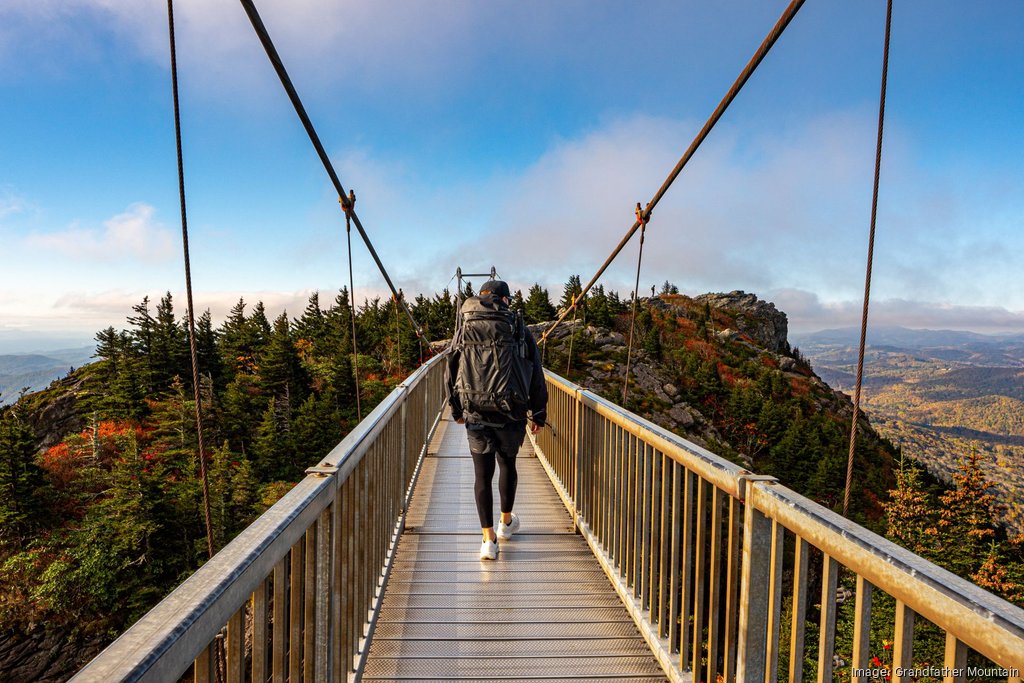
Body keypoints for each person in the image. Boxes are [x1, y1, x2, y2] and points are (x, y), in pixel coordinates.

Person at [446, 279, 548, 560]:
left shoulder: (465, 327)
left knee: (482, 475)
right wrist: (538, 413)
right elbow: (536, 375)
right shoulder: (518, 329)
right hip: (511, 412)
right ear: (505, 300)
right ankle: (505, 524)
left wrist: (456, 408)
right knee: (507, 464)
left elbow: (451, 367)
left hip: (476, 412)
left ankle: (488, 540)